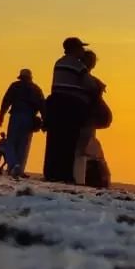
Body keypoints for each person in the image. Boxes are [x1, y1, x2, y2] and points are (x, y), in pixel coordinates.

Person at [43, 37, 95, 183]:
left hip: (56, 104)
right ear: (75, 49)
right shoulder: (77, 66)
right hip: (70, 106)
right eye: (81, 48)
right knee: (68, 141)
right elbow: (89, 84)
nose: (83, 51)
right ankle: (64, 174)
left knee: (54, 141)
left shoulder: (59, 63)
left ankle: (50, 172)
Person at [0, 69, 45, 178]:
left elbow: (6, 100)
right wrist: (44, 121)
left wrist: (1, 114)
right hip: (29, 118)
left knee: (11, 143)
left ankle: (13, 165)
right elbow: (42, 105)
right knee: (23, 145)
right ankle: (19, 170)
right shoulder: (36, 89)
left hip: (16, 115)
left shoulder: (15, 86)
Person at [72, 51, 111, 185]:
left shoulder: (86, 78)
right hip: (86, 118)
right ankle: (79, 179)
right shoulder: (88, 79)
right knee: (81, 148)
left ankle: (79, 178)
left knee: (81, 148)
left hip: (86, 118)